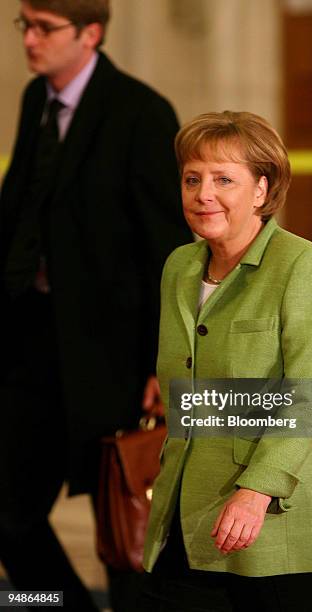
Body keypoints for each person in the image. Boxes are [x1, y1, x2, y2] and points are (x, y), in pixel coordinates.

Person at [138, 111, 312, 612]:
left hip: (285, 526)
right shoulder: (179, 265)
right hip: (189, 512)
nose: (204, 193)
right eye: (192, 178)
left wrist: (254, 492)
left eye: (224, 179)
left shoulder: (301, 266)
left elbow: (310, 394)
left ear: (262, 191)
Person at [0, 1, 190, 610]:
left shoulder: (140, 113)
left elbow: (170, 251)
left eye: (44, 28)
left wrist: (163, 365)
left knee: (125, 524)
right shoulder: (37, 102)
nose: (29, 39)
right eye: (23, 25)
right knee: (9, 512)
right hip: (34, 349)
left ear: (91, 33)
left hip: (113, 359)